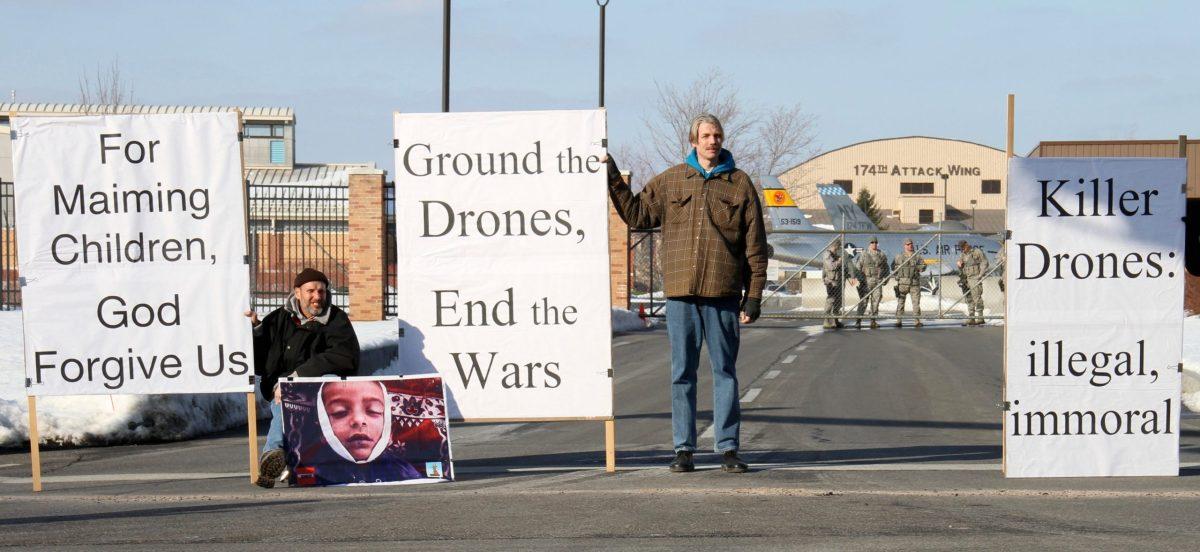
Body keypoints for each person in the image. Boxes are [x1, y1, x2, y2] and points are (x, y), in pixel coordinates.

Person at [606, 113, 767, 474]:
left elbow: (756, 244)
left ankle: (728, 448)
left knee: (725, 371)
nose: (713, 141)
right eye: (706, 136)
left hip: (723, 293)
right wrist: (612, 177)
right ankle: (684, 448)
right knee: (683, 373)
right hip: (681, 294)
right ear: (694, 141)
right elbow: (637, 215)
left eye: (718, 135)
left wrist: (753, 294)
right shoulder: (673, 180)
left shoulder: (739, 184)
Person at [246, 268, 361, 488]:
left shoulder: (337, 320)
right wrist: (257, 329)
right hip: (279, 385)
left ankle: (273, 453)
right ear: (297, 293)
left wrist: (297, 378)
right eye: (311, 291)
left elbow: (343, 356)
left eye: (322, 291)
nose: (317, 297)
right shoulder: (279, 318)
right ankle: (275, 459)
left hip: (317, 386)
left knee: (289, 397)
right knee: (285, 399)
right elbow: (262, 359)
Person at [304, 380, 420, 485]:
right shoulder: (312, 473)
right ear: (322, 429)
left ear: (389, 429)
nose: (358, 420)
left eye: (373, 410)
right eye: (340, 412)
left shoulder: (404, 473)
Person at [855, 237, 890, 329]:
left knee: (876, 301)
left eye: (875, 242)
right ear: (869, 243)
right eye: (872, 242)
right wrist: (859, 278)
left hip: (877, 281)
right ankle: (858, 321)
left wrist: (886, 278)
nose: (874, 244)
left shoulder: (881, 254)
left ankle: (873, 320)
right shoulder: (864, 254)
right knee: (864, 302)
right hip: (866, 281)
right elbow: (858, 267)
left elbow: (886, 267)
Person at [892, 238, 926, 328]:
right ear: (904, 246)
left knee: (916, 303)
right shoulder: (899, 256)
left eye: (911, 244)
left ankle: (917, 320)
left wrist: (918, 267)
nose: (910, 245)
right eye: (908, 244)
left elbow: (923, 266)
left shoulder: (917, 256)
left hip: (914, 283)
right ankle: (898, 320)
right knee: (900, 302)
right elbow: (893, 267)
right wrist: (898, 273)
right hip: (902, 283)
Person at [957, 240, 989, 326]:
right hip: (966, 278)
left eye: (963, 247)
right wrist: (959, 265)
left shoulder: (977, 252)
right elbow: (960, 265)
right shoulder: (963, 254)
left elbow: (984, 262)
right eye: (961, 248)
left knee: (977, 297)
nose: (963, 249)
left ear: (967, 245)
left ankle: (980, 317)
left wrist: (980, 275)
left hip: (974, 277)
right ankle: (971, 317)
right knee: (968, 298)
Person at [822, 239, 848, 330]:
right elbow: (831, 266)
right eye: (838, 246)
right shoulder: (827, 255)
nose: (839, 248)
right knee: (831, 300)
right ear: (835, 246)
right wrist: (839, 262)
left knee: (838, 301)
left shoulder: (835, 255)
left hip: (837, 280)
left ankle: (835, 320)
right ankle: (826, 320)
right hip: (831, 281)